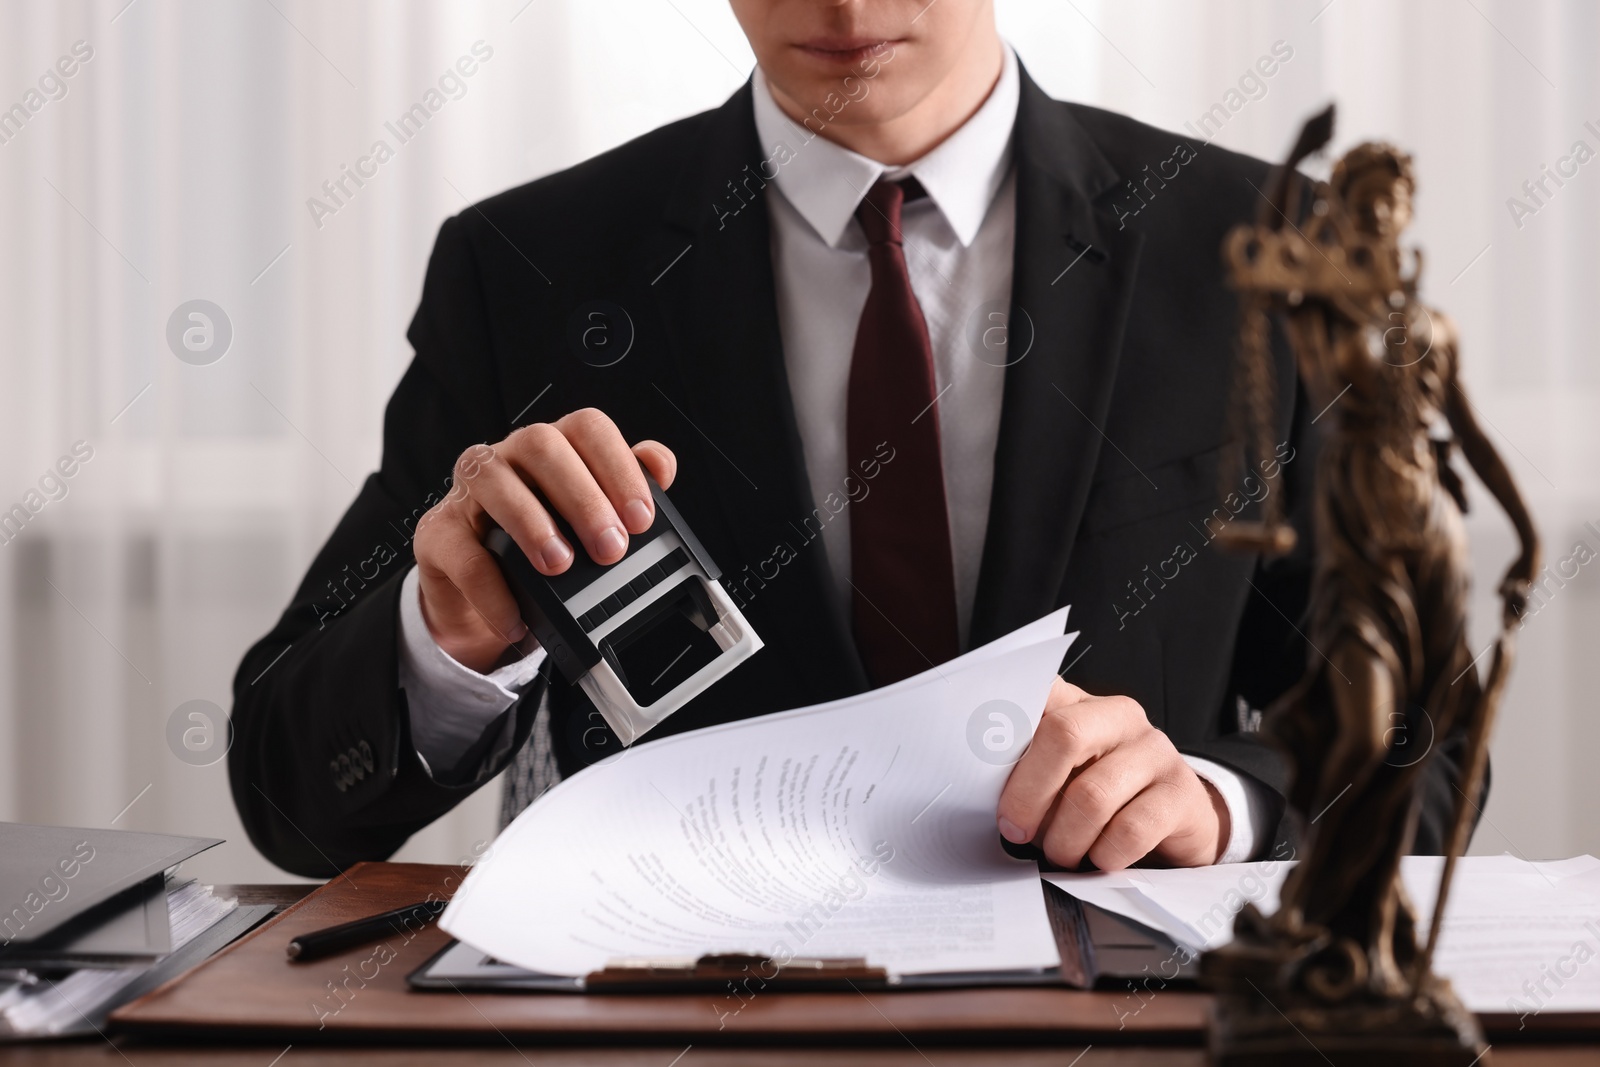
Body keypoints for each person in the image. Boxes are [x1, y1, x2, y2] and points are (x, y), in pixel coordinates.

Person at [229, 0, 1473, 878]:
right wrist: (450, 640)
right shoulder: (530, 270)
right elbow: (287, 790)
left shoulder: (1272, 253)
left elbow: (1427, 746)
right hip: (690, 1022)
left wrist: (1221, 804)